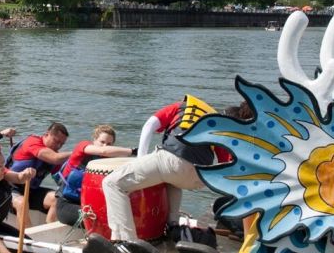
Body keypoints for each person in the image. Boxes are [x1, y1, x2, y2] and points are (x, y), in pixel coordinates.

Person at [101, 97, 250, 243]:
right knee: (171, 180)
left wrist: (140, 159)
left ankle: (125, 240)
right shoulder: (217, 126)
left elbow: (149, 125)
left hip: (172, 162)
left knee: (112, 183)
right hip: (198, 178)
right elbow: (226, 165)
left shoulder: (180, 106)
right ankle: (172, 226)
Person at [54, 125, 136, 226]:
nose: (105, 146)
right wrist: (133, 151)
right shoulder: (83, 146)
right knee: (99, 218)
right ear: (94, 140)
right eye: (102, 142)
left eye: (109, 144)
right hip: (67, 204)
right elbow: (103, 151)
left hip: (87, 205)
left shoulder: (107, 162)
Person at [6, 122, 72, 225]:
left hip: (31, 191)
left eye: (61, 144)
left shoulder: (55, 157)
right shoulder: (32, 142)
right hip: (8, 188)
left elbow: (63, 180)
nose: (58, 146)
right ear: (46, 135)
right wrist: (77, 152)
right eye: (56, 141)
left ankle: (49, 233)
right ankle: (27, 238)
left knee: (57, 199)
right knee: (22, 203)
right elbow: (54, 158)